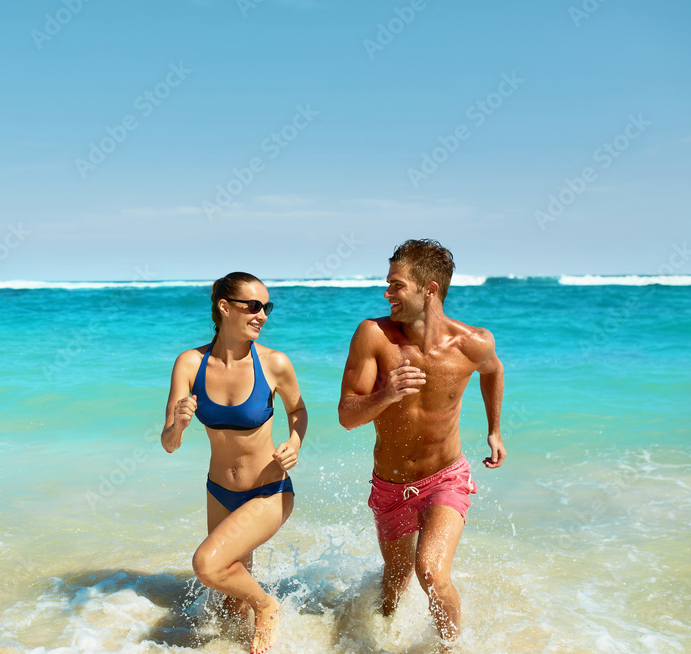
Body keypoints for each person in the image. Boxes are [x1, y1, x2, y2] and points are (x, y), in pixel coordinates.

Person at [338, 239, 506, 647]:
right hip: (390, 485)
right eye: (388, 284)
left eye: (397, 285)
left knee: (430, 570)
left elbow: (492, 370)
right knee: (394, 585)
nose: (387, 293)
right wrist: (385, 395)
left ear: (429, 289)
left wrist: (494, 429)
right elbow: (346, 416)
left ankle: (450, 648)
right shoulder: (373, 336)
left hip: (445, 477)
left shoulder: (473, 343)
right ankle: (379, 640)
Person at [162, 272, 307, 654]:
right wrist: (178, 423)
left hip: (269, 491)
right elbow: (169, 444)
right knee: (229, 602)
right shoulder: (190, 364)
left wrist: (294, 440)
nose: (262, 315)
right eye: (254, 306)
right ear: (224, 307)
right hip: (220, 492)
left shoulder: (274, 363)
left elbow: (298, 410)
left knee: (207, 565)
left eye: (266, 307)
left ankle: (268, 606)